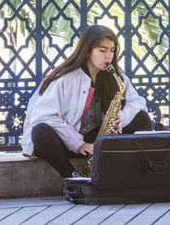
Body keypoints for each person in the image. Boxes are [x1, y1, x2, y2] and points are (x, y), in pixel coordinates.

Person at [21, 25, 151, 178]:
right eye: (102, 51)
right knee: (40, 132)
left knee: (143, 119)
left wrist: (121, 117)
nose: (108, 56)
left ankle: (121, 171)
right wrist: (77, 143)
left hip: (95, 141)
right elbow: (43, 117)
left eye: (112, 50)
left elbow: (138, 102)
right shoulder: (65, 78)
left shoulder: (116, 76)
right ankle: (72, 176)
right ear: (88, 50)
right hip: (65, 141)